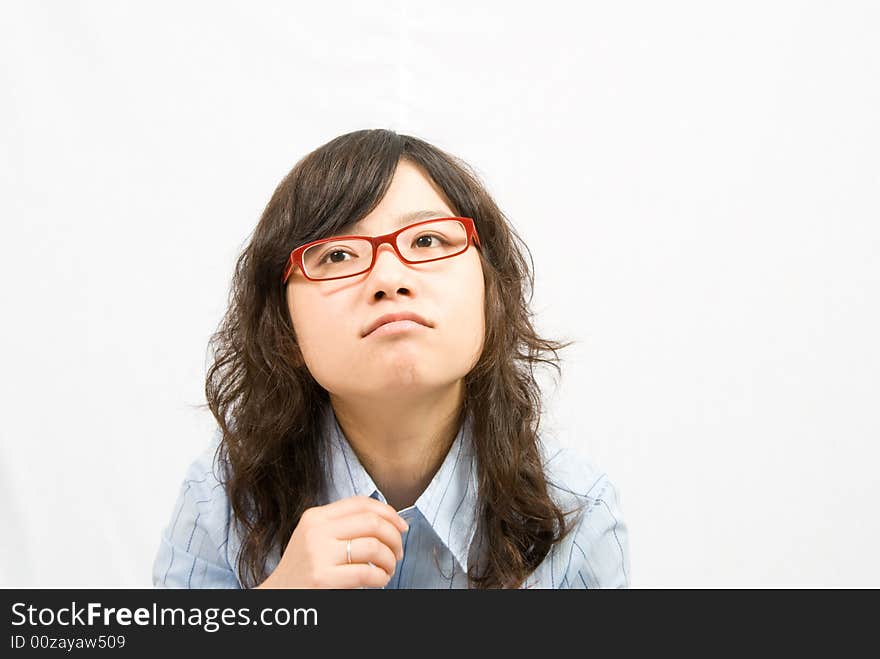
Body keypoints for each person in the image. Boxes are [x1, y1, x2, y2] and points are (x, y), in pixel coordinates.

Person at [151, 129, 630, 589]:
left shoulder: (577, 512)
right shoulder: (219, 503)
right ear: (283, 331)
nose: (389, 278)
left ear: (492, 293)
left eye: (426, 240)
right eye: (336, 255)